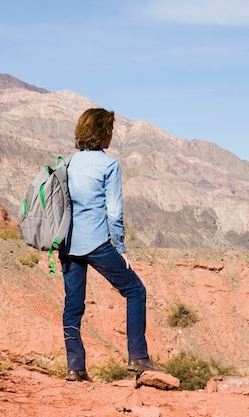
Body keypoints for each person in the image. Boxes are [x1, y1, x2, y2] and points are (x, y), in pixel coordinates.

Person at [59, 107, 164, 382]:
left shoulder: (67, 163)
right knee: (135, 290)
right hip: (96, 243)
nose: (112, 135)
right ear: (102, 132)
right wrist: (120, 248)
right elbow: (114, 213)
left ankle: (75, 368)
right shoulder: (109, 165)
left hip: (67, 245)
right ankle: (138, 357)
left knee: (73, 305)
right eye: (110, 130)